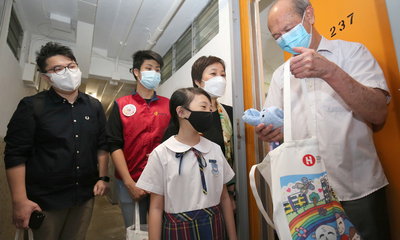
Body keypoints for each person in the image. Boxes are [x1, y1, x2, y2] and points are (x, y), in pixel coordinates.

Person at [256, 0, 391, 239]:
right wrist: (272, 131)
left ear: (309, 15)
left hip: (358, 189)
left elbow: (378, 112)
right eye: (277, 36)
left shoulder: (352, 53)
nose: (284, 39)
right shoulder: (281, 76)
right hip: (305, 197)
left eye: (288, 30)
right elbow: (277, 126)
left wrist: (329, 71)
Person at [4, 42, 109, 240]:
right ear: (46, 77)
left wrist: (103, 178)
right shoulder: (32, 106)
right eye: (57, 69)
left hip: (83, 197)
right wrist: (19, 201)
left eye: (71, 66)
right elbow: (15, 154)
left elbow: (102, 144)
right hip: (45, 200)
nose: (67, 72)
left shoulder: (93, 106)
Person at [137, 87, 237, 239]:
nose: (209, 113)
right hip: (178, 229)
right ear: (181, 112)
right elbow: (156, 208)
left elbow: (224, 198)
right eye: (203, 107)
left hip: (214, 225)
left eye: (210, 108)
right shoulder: (162, 153)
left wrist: (233, 237)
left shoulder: (214, 150)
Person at [106, 50, 170, 228]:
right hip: (130, 180)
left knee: (163, 229)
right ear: (136, 72)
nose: (155, 73)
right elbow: (114, 144)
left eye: (157, 69)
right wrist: (128, 183)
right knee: (135, 230)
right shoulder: (121, 104)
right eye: (149, 68)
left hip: (162, 181)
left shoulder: (168, 105)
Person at [163, 56, 236, 208]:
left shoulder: (230, 113)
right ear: (197, 81)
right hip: (190, 193)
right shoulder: (187, 115)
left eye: (223, 74)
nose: (220, 79)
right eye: (213, 73)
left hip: (224, 190)